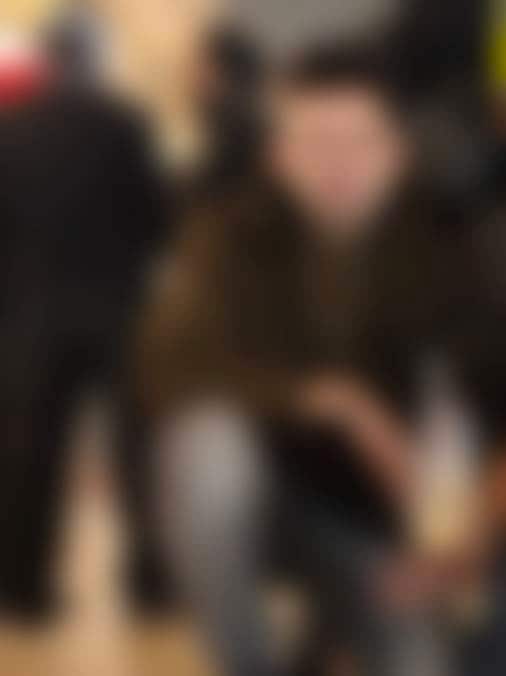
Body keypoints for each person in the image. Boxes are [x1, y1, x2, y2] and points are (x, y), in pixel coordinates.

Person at [133, 44, 463, 676]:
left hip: (392, 523)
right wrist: (335, 401)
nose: (337, 166)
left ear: (398, 151)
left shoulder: (446, 249)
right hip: (273, 494)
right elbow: (171, 361)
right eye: (314, 143)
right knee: (207, 447)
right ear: (278, 155)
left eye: (359, 143)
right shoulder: (229, 233)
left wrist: (459, 544)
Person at [0, 0, 262, 619]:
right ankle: (149, 583)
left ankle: (23, 587)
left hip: (30, 320)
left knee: (29, 457)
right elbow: (155, 217)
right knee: (138, 456)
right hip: (119, 313)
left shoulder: (9, 134)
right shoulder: (124, 124)